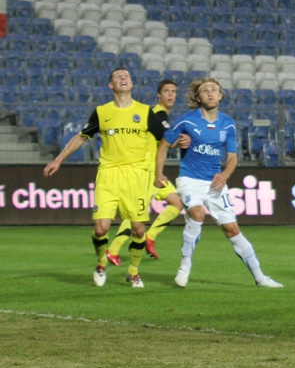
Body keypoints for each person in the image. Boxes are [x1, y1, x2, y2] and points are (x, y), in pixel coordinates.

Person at [43, 68, 182, 288]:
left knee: (138, 229)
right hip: (108, 174)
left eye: (127, 75)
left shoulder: (145, 112)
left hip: (136, 176)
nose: (123, 78)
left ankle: (133, 272)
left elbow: (165, 139)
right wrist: (58, 160)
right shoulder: (102, 112)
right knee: (100, 228)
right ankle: (101, 263)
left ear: (132, 83)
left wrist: (179, 141)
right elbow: (81, 137)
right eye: (118, 76)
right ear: (111, 85)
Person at [155, 77, 282, 289]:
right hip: (190, 179)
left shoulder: (228, 124)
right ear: (198, 97)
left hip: (214, 183)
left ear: (221, 96)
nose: (210, 93)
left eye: (214, 90)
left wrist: (225, 175)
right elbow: (163, 145)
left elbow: (232, 157)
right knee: (197, 213)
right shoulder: (186, 121)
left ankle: (260, 278)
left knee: (232, 229)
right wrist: (158, 174)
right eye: (205, 91)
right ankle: (185, 266)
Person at [107, 79, 187, 263]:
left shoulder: (161, 115)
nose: (170, 94)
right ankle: (113, 249)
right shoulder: (157, 114)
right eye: (166, 91)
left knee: (177, 203)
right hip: (147, 172)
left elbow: (164, 142)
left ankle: (150, 237)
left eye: (174, 91)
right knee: (137, 215)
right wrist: (181, 141)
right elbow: (166, 141)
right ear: (159, 96)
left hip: (154, 171)